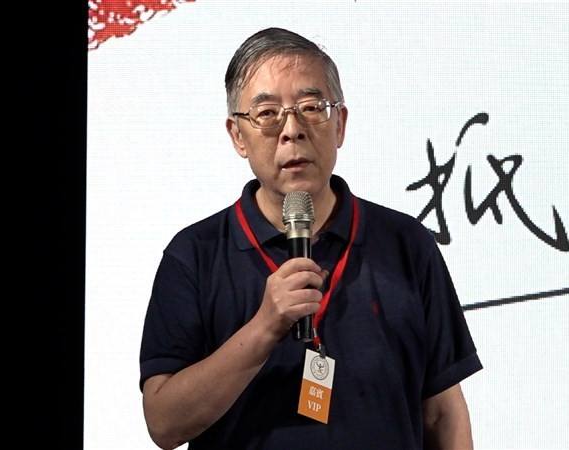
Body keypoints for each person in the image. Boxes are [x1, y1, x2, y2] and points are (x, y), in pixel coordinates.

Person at [140, 27, 482, 450]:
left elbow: (443, 411)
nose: (292, 130)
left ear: (339, 123)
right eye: (267, 114)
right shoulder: (194, 255)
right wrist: (266, 326)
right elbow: (164, 424)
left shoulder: (407, 244)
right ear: (236, 135)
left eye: (311, 107)